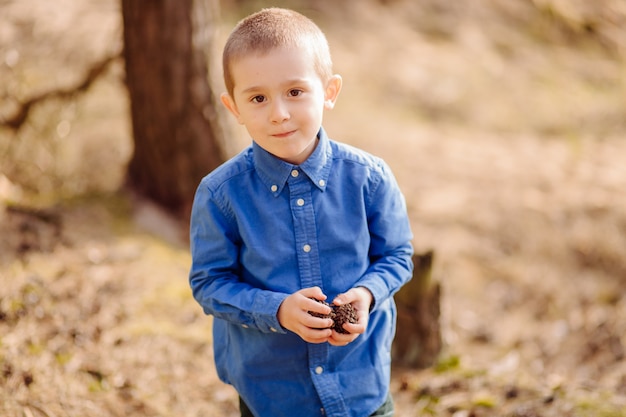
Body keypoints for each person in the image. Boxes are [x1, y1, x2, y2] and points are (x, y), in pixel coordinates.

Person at [188, 7, 413, 417]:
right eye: (257, 98)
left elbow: (397, 256)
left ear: (329, 91)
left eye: (295, 91)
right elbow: (209, 282)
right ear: (233, 107)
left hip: (360, 385)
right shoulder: (220, 195)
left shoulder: (370, 179)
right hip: (272, 394)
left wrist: (366, 294)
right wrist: (276, 310)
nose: (279, 113)